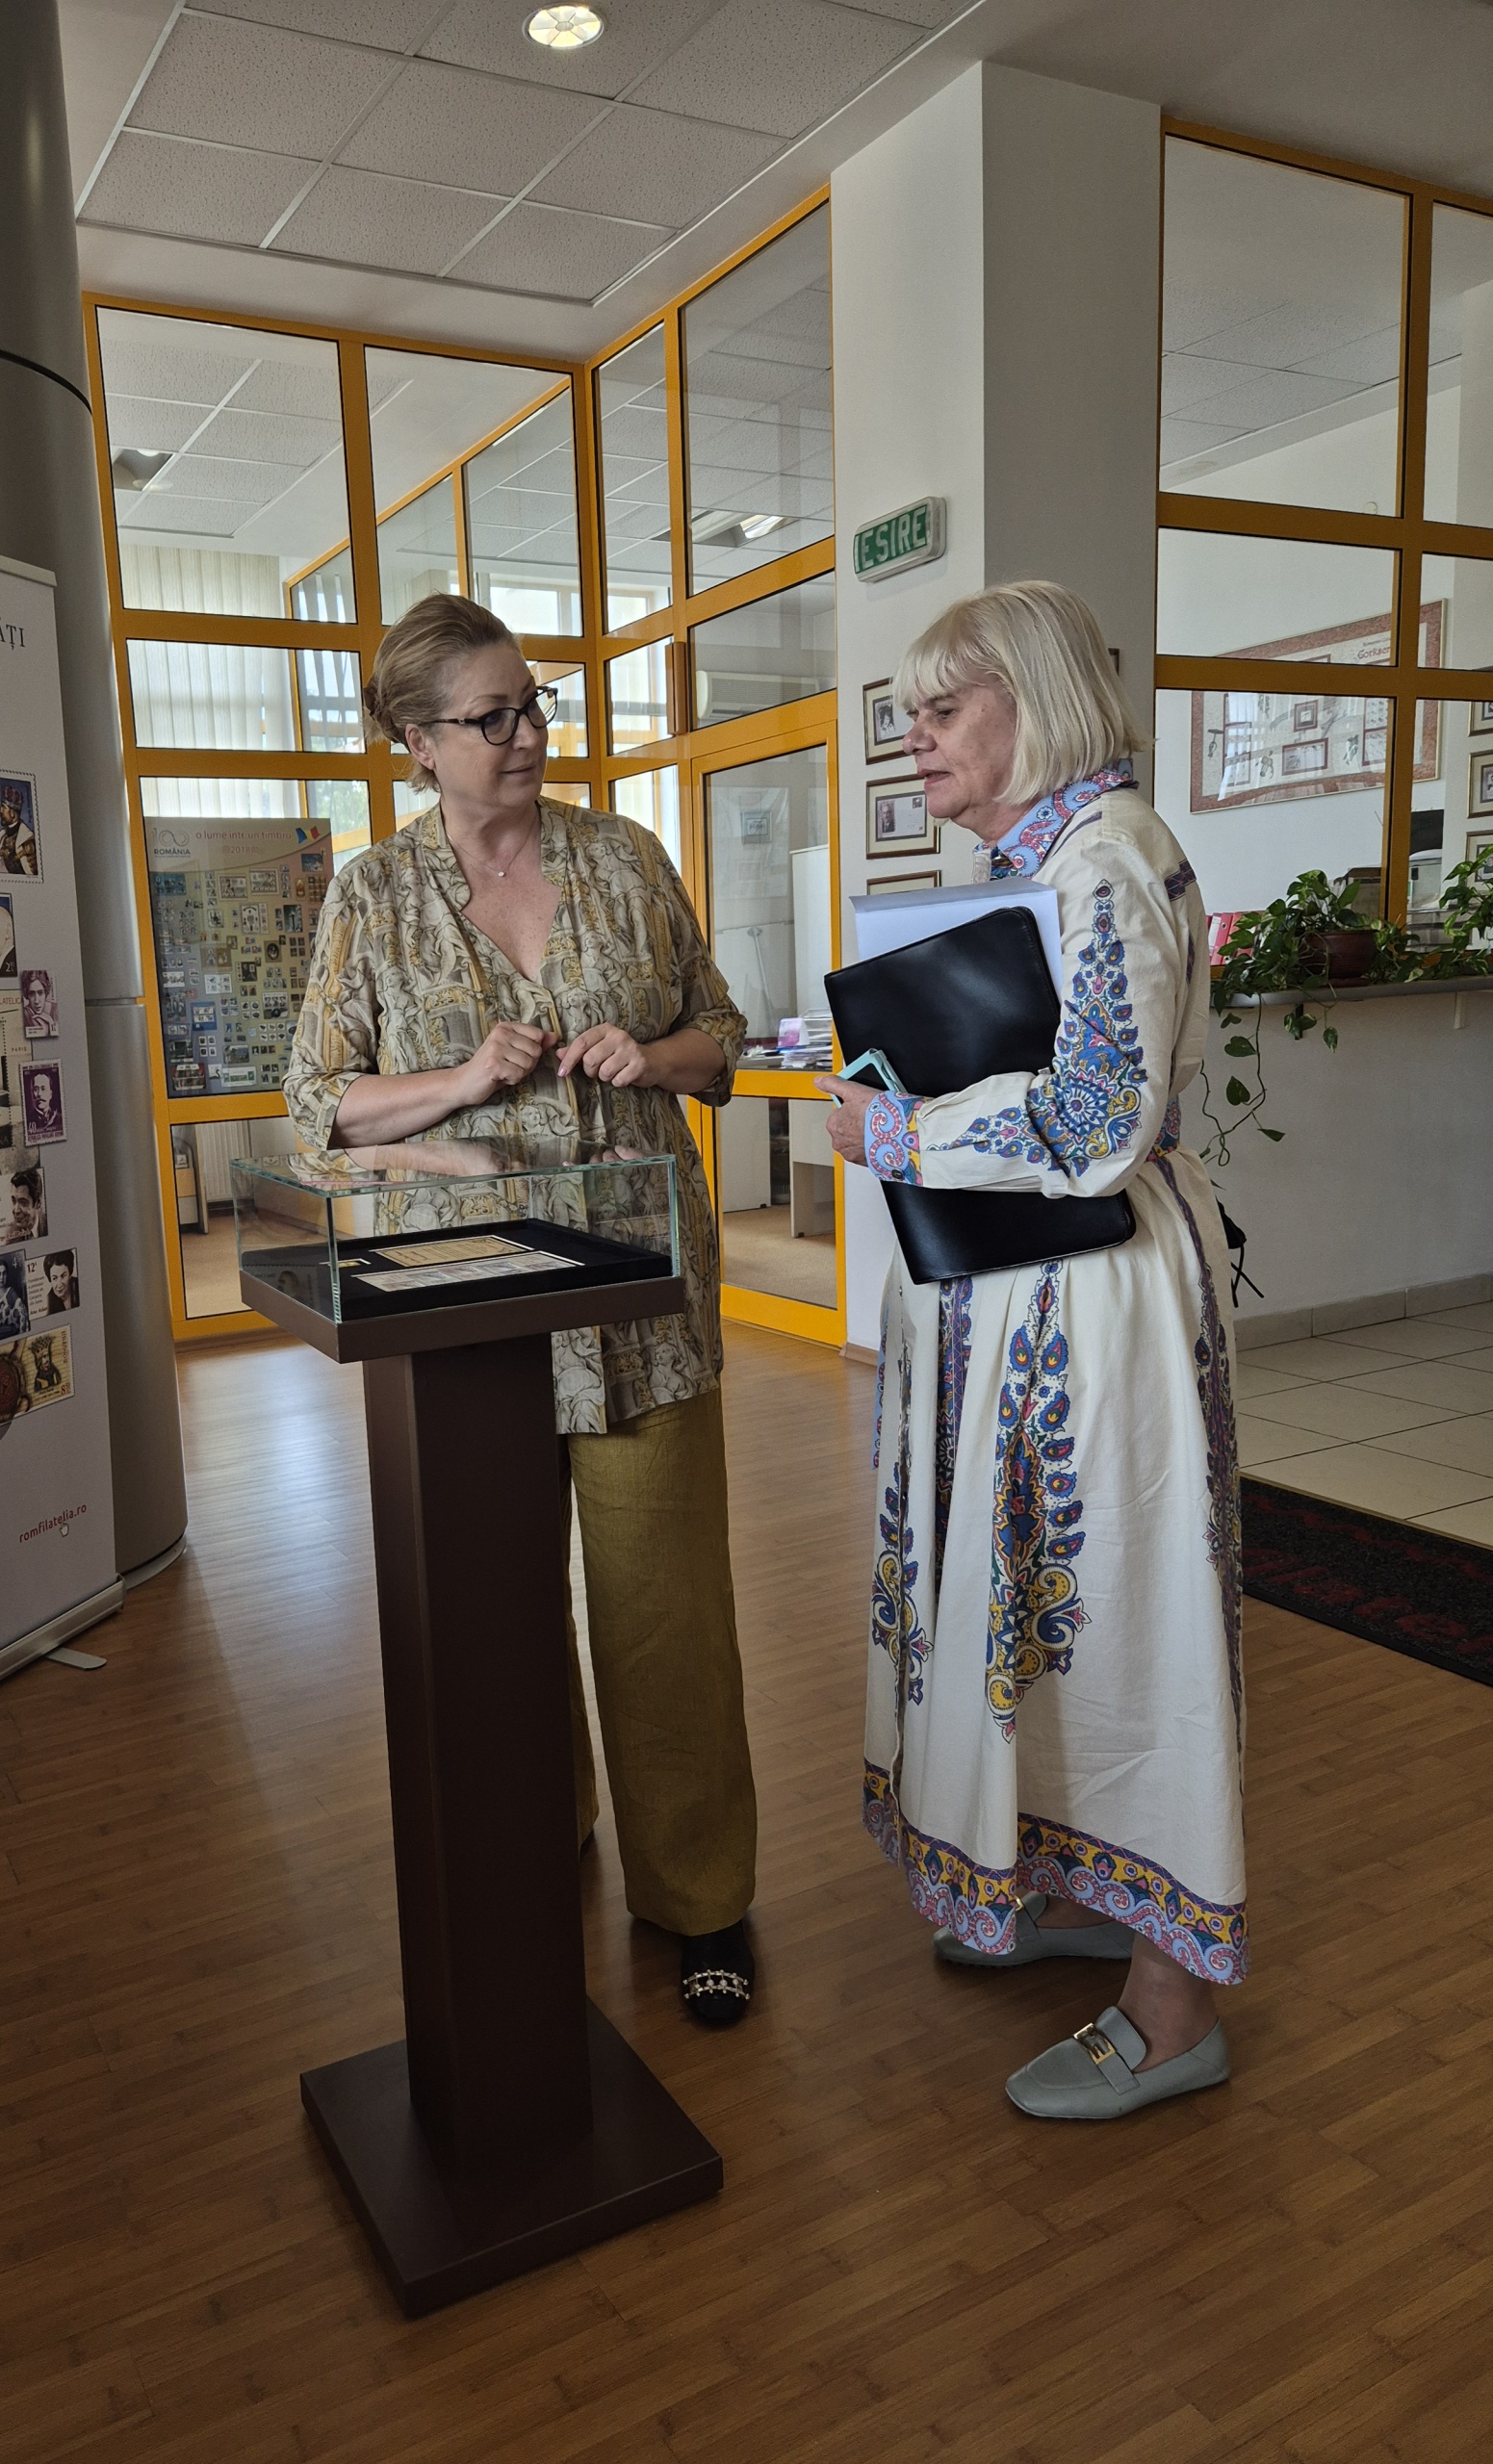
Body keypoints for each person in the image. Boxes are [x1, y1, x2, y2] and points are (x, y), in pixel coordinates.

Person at [285, 591, 759, 2028]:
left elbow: (724, 1037)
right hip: (467, 1319)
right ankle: (541, 1830)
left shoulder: (625, 859)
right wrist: (462, 1083)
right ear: (416, 743)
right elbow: (317, 1108)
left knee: (667, 1614)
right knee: (502, 1613)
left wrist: (656, 1055)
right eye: (491, 717)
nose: (528, 735)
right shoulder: (372, 897)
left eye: (534, 704)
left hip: (642, 1308)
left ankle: (702, 1901)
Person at [818, 580, 1245, 2120]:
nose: (916, 739)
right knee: (1043, 1612)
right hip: (1042, 1288)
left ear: (1038, 702)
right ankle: (1069, 1885)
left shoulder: (1104, 858)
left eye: (945, 708)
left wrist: (901, 1130)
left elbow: (1099, 1117)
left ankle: (1173, 2006)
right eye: (911, 715)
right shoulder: (1066, 862)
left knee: (1123, 1622)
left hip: (1097, 1299)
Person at [0, 783, 36, 875]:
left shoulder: (28, 837)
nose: (0, 810)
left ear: (12, 813)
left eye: (4, 807)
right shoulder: (2, 835)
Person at [6, 1169, 45, 1243]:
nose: (16, 1210)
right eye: (14, 1201)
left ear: (38, 1203)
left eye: (23, 1202)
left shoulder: (49, 1225)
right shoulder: (9, 1237)